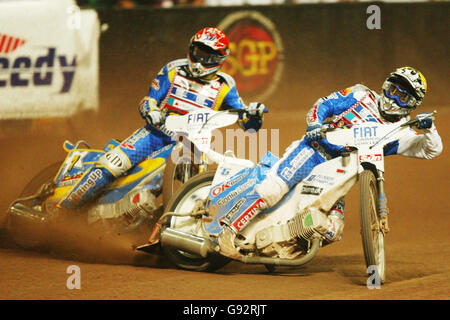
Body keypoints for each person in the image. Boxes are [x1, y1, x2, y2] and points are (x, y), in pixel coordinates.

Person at [218, 66, 443, 257]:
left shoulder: (400, 130)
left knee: (332, 229)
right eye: (392, 90)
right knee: (272, 189)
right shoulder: (361, 95)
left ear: (412, 103)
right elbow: (324, 104)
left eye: (402, 96)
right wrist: (315, 124)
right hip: (314, 150)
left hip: (340, 174)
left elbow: (432, 150)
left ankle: (279, 246)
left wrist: (429, 128)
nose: (393, 98)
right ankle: (226, 231)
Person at [58, 27, 266, 210]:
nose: (201, 61)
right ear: (191, 48)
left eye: (208, 56)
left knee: (169, 180)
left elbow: (246, 125)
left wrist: (254, 115)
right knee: (111, 165)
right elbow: (148, 100)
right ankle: (62, 209)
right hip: (153, 135)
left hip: (190, 144)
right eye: (199, 53)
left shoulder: (226, 85)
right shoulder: (173, 69)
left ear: (220, 59)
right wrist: (152, 111)